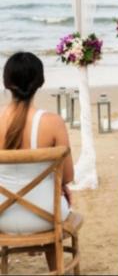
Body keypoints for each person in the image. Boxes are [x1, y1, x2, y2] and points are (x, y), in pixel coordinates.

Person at [0, 52, 73, 271]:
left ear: (6, 82)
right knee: (55, 194)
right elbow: (68, 176)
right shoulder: (53, 123)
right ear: (40, 82)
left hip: (2, 218)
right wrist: (62, 186)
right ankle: (55, 268)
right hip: (46, 217)